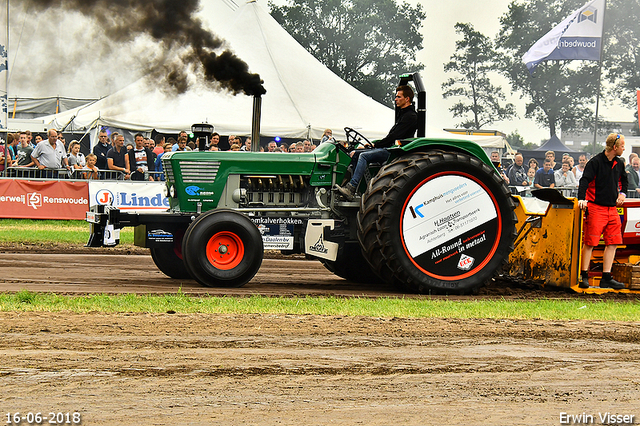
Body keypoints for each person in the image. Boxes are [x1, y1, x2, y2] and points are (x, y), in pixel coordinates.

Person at [335, 85, 418, 200]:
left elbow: (394, 137)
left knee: (363, 156)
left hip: (393, 151)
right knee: (355, 153)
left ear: (407, 99)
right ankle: (356, 189)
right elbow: (391, 136)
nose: (395, 99)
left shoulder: (410, 116)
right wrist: (374, 144)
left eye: (398, 97)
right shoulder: (403, 114)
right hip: (389, 147)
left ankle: (352, 188)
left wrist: (376, 145)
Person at [578, 133, 627, 290]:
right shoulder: (596, 162)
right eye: (622, 146)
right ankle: (583, 275)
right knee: (590, 242)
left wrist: (623, 194)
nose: (623, 148)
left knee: (613, 242)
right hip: (595, 207)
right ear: (614, 147)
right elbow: (584, 180)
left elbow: (624, 181)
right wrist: (581, 199)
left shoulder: (619, 163)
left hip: (612, 208)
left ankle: (606, 277)